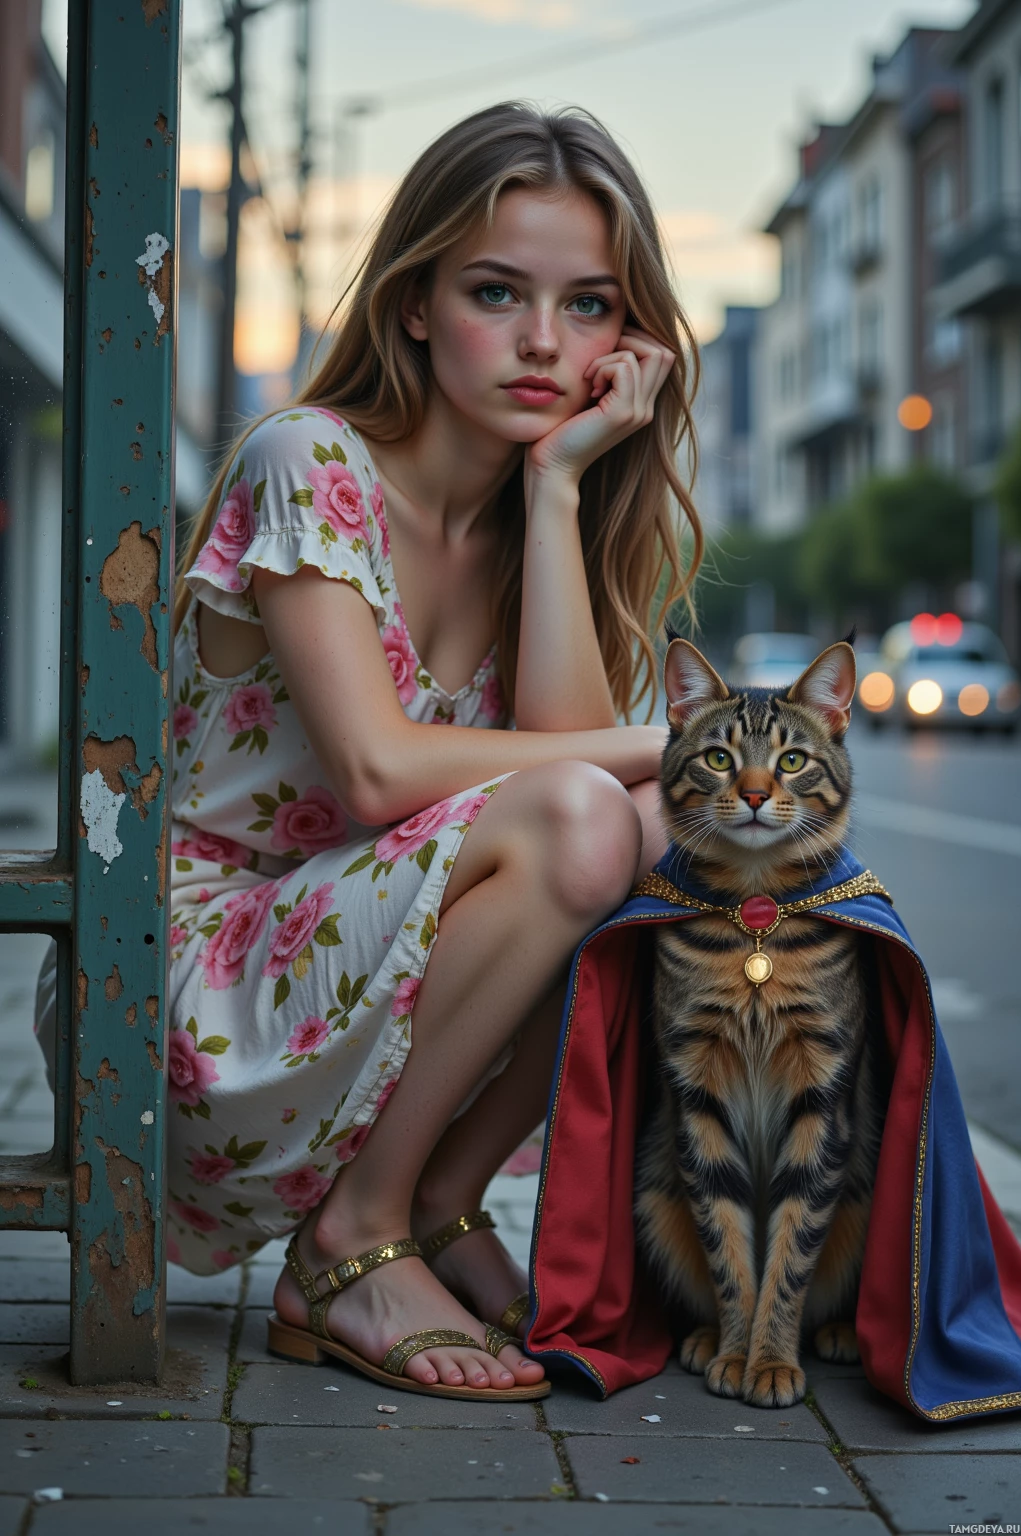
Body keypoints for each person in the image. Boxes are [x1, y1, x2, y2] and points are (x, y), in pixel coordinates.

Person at [165, 102, 702, 1400]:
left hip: (359, 970)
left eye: (587, 308)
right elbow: (374, 776)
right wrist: (665, 739)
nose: (540, 343)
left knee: (664, 829)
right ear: (414, 304)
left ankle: (439, 1206)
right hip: (195, 991)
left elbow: (586, 781)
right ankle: (351, 1238)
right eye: (496, 292)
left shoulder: (539, 524)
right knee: (611, 805)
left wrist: (562, 488)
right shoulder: (311, 461)